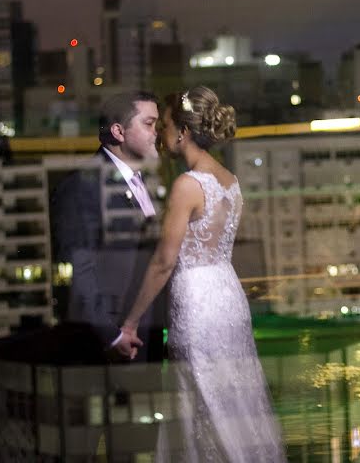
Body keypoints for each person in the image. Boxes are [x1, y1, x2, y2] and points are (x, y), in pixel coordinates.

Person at [116, 86, 285, 462]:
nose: (161, 134)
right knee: (233, 400)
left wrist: (130, 322)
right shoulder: (230, 182)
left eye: (166, 126)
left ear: (183, 133)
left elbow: (164, 261)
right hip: (227, 294)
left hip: (197, 302)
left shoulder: (187, 186)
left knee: (200, 402)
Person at [51, 91, 165, 365]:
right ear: (118, 131)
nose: (156, 134)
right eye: (149, 124)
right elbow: (82, 272)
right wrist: (112, 337)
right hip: (119, 340)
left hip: (151, 327)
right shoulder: (83, 186)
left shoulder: (144, 180)